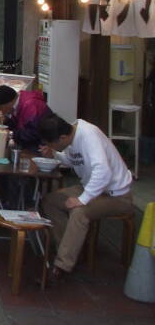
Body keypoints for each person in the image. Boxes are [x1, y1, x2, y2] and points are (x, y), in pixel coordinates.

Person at [38, 114, 134, 283]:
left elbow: (103, 172)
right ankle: (69, 249)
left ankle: (61, 266)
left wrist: (83, 199)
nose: (51, 146)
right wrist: (55, 154)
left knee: (79, 211)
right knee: (50, 201)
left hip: (117, 195)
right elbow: (72, 160)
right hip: (93, 188)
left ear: (62, 137)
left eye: (52, 144)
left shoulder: (88, 135)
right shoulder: (72, 135)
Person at [0, 85, 51, 151]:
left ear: (8, 103)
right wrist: (6, 121)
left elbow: (33, 132)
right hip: (32, 145)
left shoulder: (30, 105)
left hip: (41, 148)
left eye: (0, 108)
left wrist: (11, 134)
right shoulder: (20, 103)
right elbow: (19, 126)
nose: (1, 111)